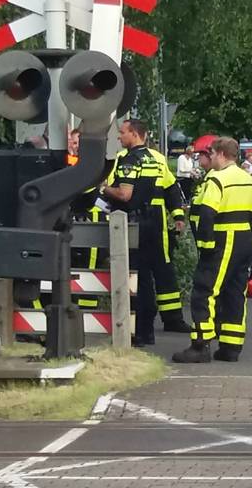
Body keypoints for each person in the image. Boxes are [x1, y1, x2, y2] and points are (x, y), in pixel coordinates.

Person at [101, 119, 192, 347]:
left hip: (136, 221)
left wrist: (103, 188)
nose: (119, 137)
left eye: (122, 133)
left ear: (134, 133)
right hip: (157, 219)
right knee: (160, 268)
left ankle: (148, 326)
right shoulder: (156, 158)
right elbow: (171, 188)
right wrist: (178, 216)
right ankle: (164, 321)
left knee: (141, 273)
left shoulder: (126, 160)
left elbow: (124, 194)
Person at [173, 137, 252, 364]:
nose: (210, 157)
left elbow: (208, 213)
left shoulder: (218, 180)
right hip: (244, 241)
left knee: (204, 291)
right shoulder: (248, 179)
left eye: (211, 153)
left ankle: (200, 346)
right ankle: (231, 347)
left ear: (220, 153)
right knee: (235, 293)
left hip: (222, 240)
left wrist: (206, 245)